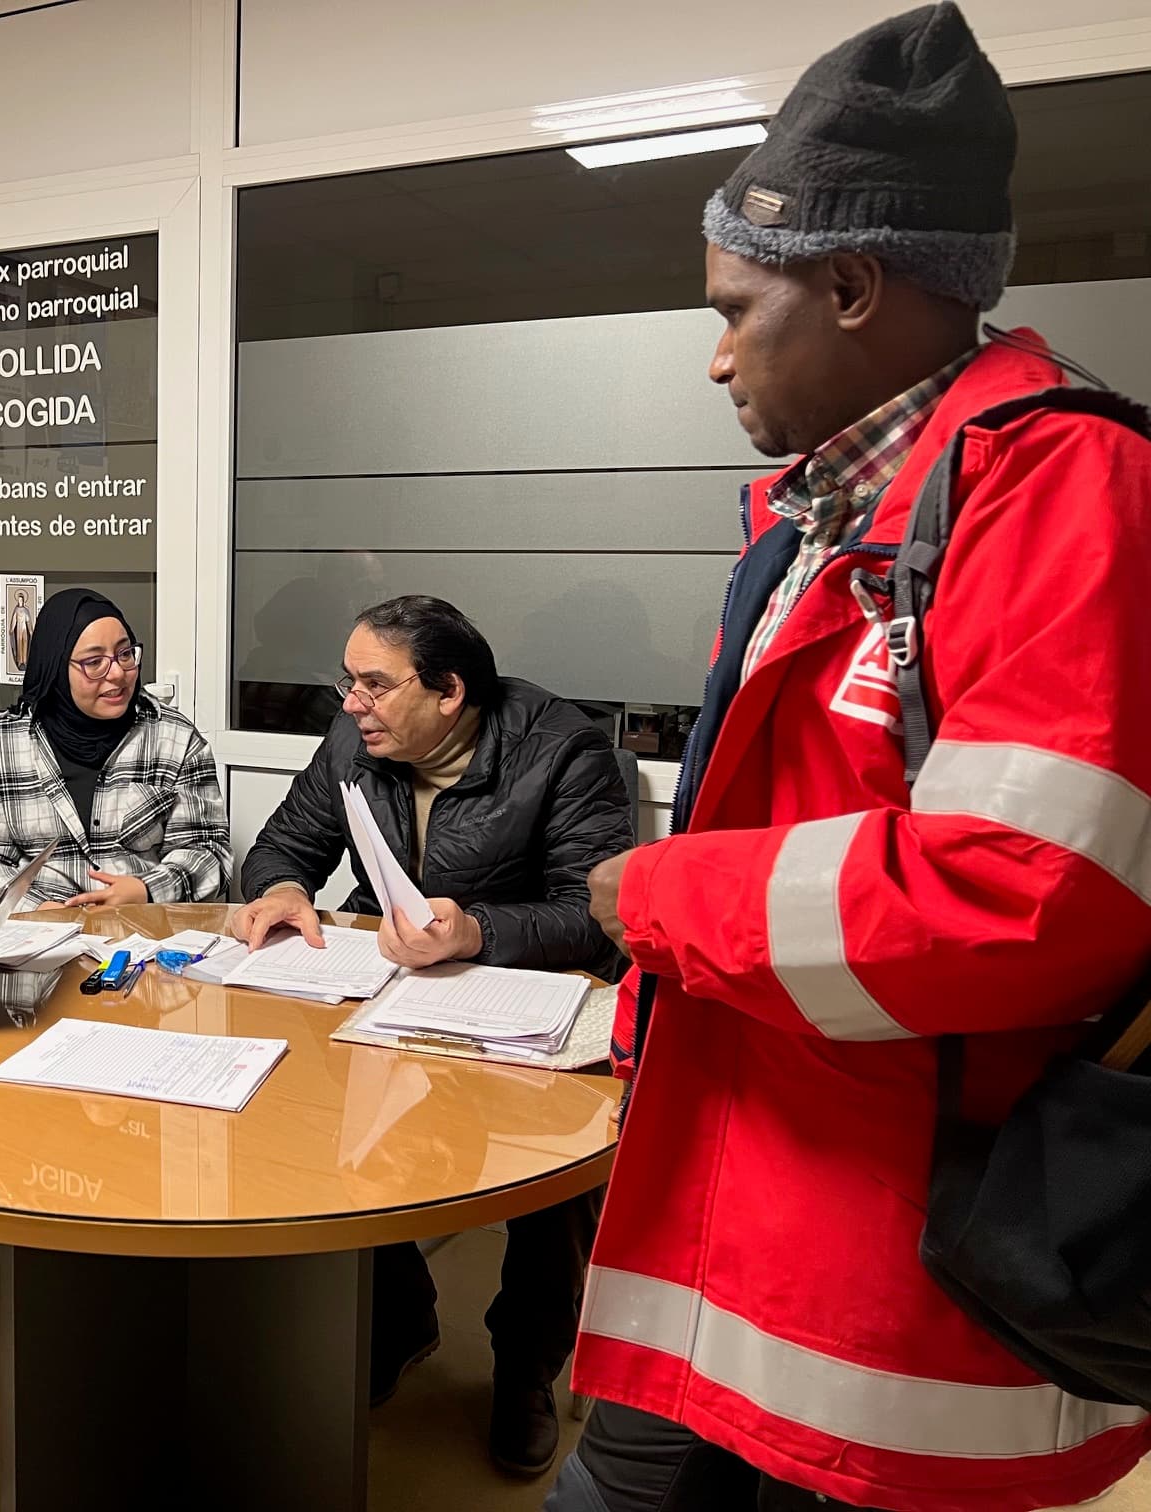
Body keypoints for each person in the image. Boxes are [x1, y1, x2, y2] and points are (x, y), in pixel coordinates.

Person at [557, 8, 1151, 1510]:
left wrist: (663, 899)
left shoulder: (1066, 489)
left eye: (732, 310)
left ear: (849, 285)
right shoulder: (815, 519)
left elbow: (1026, 892)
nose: (714, 360)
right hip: (736, 1202)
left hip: (894, 1291)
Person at [234, 594, 632, 1476]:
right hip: (395, 994)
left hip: (528, 1002)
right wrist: (284, 891)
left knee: (556, 1178)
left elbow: (594, 916)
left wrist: (476, 930)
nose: (351, 703)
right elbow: (286, 844)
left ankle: (524, 1371)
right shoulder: (353, 742)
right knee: (312, 1106)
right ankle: (399, 1318)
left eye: (374, 685)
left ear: (449, 691)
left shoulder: (563, 750)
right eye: (348, 681)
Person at [0, 587, 230, 913]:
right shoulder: (0, 746)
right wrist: (34, 910)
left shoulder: (174, 739)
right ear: (55, 667)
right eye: (94, 662)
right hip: (39, 935)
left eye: (125, 654)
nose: (117, 673)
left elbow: (210, 853)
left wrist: (146, 891)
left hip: (141, 930)